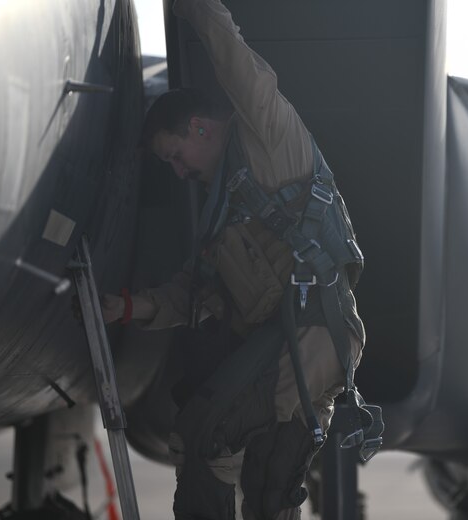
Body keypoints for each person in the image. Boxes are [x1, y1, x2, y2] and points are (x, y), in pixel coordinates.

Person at [102, 0, 366, 518]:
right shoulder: (220, 211)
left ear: (200, 128)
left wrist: (193, 9)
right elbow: (192, 291)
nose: (177, 172)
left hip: (312, 337)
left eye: (175, 155)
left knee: (210, 434)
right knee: (262, 481)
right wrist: (128, 309)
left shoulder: (267, 139)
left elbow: (236, 63)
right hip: (278, 348)